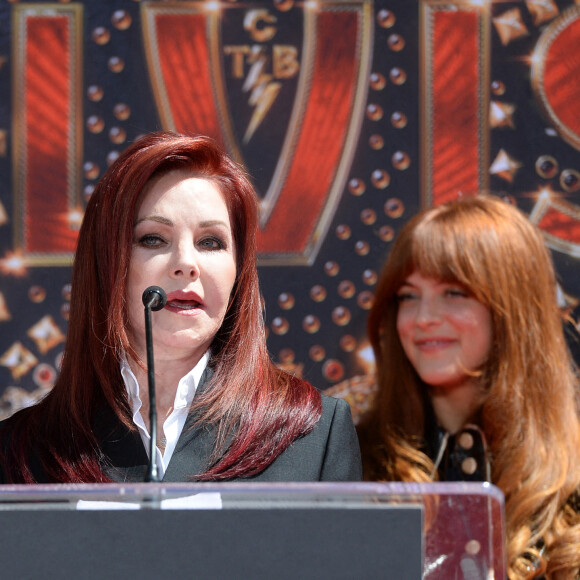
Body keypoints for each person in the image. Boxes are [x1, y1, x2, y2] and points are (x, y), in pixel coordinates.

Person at [0, 131, 361, 483]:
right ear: (105, 265)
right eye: (153, 239)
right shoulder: (18, 451)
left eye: (211, 242)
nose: (186, 263)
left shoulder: (315, 434)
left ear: (239, 272)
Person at [357, 195, 580, 579]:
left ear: (515, 310)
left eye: (453, 293)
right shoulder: (351, 461)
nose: (423, 317)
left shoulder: (572, 474)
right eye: (408, 296)